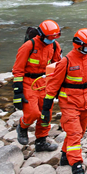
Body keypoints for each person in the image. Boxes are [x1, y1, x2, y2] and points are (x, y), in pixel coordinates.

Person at [42, 28, 87, 174]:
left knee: (80, 132)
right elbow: (53, 85)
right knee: (75, 133)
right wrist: (46, 105)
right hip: (69, 102)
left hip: (86, 102)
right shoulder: (67, 61)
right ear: (78, 45)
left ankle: (65, 156)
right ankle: (77, 168)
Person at [13, 20, 63, 150]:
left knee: (46, 114)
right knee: (33, 113)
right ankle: (22, 127)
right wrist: (18, 91)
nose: (52, 40)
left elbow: (57, 65)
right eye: (50, 37)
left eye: (54, 37)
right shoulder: (29, 46)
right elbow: (18, 69)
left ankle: (41, 141)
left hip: (45, 82)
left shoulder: (54, 46)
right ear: (41, 35)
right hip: (28, 83)